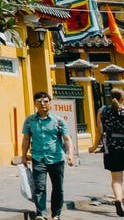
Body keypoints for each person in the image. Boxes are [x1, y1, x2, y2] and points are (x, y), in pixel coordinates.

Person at [21, 91, 75, 220]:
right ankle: (41, 214)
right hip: (38, 158)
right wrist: (23, 155)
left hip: (56, 159)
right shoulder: (30, 121)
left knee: (58, 188)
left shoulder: (59, 121)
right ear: (35, 104)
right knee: (40, 188)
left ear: (50, 104)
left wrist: (70, 155)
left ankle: (56, 214)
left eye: (45, 101)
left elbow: (67, 139)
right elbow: (26, 139)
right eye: (39, 102)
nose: (43, 104)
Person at [90, 88, 124, 217]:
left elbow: (99, 130)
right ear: (123, 98)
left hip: (111, 147)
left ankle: (118, 200)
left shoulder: (102, 111)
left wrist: (93, 147)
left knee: (116, 179)